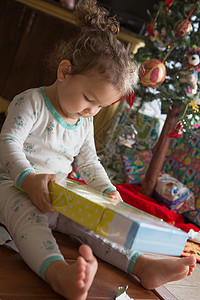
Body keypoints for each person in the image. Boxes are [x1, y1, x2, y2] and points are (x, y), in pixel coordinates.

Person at [0, 0, 196, 299]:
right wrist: (28, 179)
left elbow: (89, 162)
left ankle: (141, 265)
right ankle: (57, 273)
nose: (91, 111)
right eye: (88, 98)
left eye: (100, 106)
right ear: (64, 71)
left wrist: (106, 191)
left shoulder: (83, 121)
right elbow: (7, 143)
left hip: (59, 193)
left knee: (95, 226)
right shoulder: (31, 103)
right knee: (30, 223)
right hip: (14, 186)